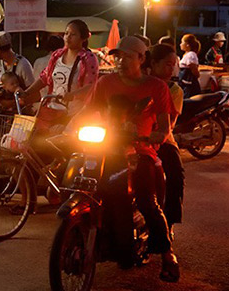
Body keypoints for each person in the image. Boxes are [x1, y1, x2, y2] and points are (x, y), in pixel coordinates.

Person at [84, 36, 179, 282]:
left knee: (147, 201)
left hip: (140, 151)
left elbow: (164, 127)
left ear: (141, 58)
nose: (120, 61)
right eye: (117, 56)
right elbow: (89, 112)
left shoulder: (156, 87)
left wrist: (151, 135)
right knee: (85, 185)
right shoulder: (105, 83)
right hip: (107, 148)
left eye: (127, 56)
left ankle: (168, 254)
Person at [20, 19, 99, 132]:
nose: (68, 37)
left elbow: (91, 86)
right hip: (52, 110)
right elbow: (44, 78)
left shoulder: (88, 59)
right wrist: (26, 92)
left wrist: (73, 95)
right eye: (66, 33)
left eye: (73, 34)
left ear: (83, 38)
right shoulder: (57, 56)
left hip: (74, 114)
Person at [150, 43, 185, 241]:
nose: (170, 69)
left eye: (173, 65)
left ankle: (168, 223)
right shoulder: (138, 83)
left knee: (175, 175)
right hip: (131, 140)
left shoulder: (174, 90)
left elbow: (169, 124)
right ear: (152, 63)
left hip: (162, 141)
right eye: (166, 64)